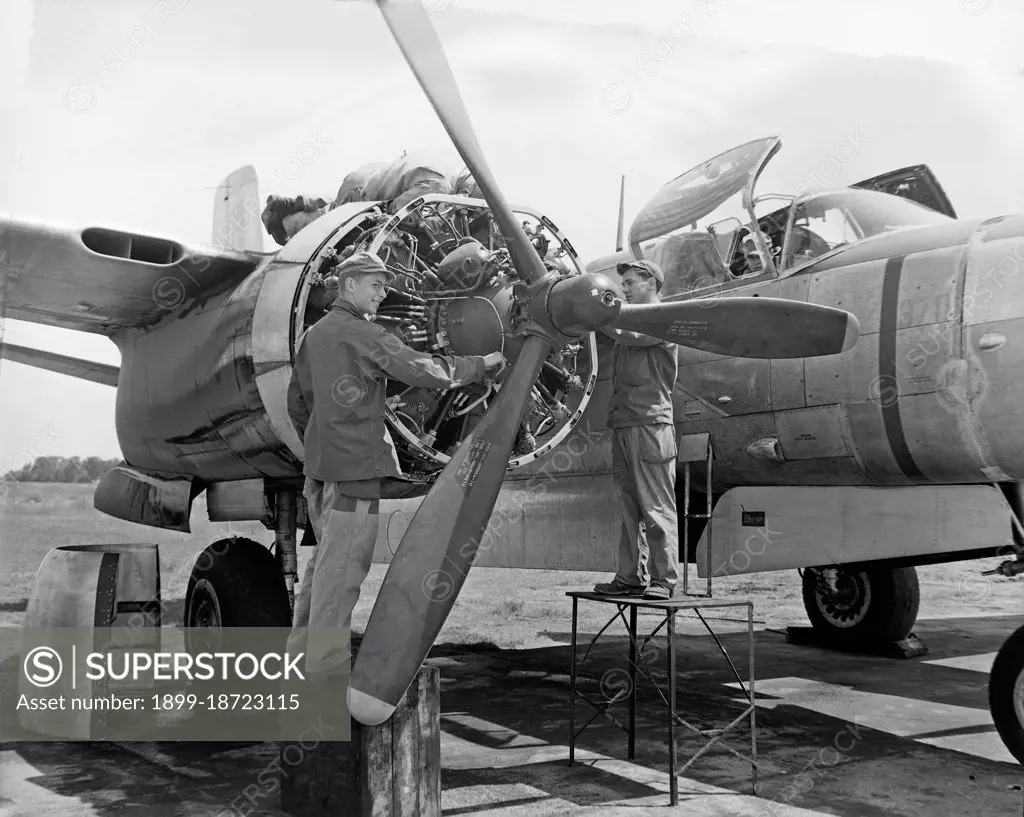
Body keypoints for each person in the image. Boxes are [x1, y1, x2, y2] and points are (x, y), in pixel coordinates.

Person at [285, 250, 507, 675]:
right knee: (344, 570)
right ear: (349, 284)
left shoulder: (314, 336)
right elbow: (421, 368)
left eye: (385, 284)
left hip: (319, 472)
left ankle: (300, 658)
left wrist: (321, 443)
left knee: (322, 567)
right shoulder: (364, 335)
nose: (382, 292)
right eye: (375, 284)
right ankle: (323, 673)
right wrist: (481, 365)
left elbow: (298, 403)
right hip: (355, 475)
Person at [593, 259, 680, 601]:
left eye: (629, 282)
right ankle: (630, 576)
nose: (624, 288)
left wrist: (595, 311)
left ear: (650, 282)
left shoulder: (663, 318)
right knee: (630, 508)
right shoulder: (628, 321)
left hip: (651, 425)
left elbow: (627, 334)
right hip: (625, 423)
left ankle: (664, 579)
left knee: (656, 506)